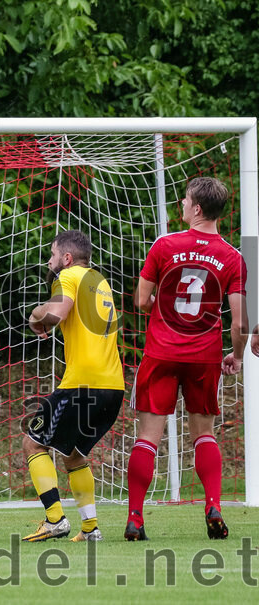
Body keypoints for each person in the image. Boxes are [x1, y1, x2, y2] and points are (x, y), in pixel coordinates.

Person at [126, 177, 248, 541]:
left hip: (161, 352)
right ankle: (213, 505)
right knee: (204, 434)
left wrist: (161, 309)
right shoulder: (233, 256)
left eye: (185, 201)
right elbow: (240, 320)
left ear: (196, 209)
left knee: (148, 437)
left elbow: (140, 300)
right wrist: (237, 355)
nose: (181, 204)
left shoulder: (165, 245)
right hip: (204, 356)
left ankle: (135, 518)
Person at [20, 230, 124, 542]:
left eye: (52, 255)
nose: (49, 261)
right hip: (113, 386)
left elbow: (56, 313)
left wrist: (35, 316)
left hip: (83, 384)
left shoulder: (67, 276)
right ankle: (90, 529)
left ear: (66, 258)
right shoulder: (99, 281)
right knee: (74, 454)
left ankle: (54, 520)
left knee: (32, 443)